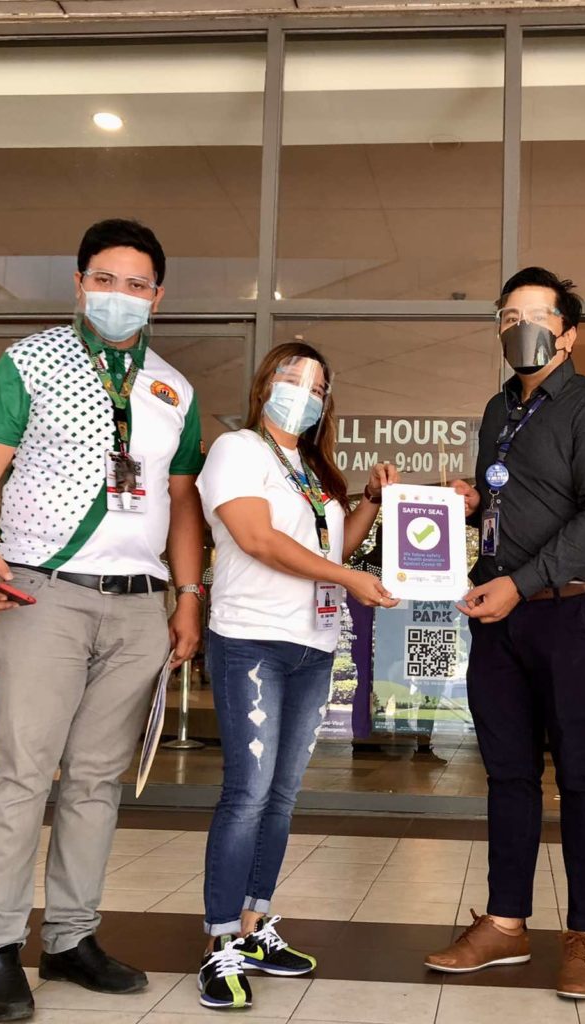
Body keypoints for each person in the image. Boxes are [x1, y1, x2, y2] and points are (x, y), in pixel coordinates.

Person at [0, 219, 206, 1023]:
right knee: (22, 773)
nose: (118, 295)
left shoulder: (173, 389)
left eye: (136, 284)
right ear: (78, 283)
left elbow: (182, 501)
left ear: (157, 297)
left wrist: (189, 594)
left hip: (138, 605)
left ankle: (70, 938)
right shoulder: (28, 362)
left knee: (97, 781)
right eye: (104, 279)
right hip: (44, 593)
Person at [425, 267, 585, 1000]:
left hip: (568, 613)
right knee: (508, 773)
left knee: (581, 773)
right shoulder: (497, 410)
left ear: (568, 334)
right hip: (501, 620)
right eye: (509, 317)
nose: (521, 328)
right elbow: (515, 499)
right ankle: (506, 922)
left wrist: (521, 581)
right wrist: (473, 501)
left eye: (536, 316)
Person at [194, 341, 400, 1011]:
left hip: (313, 646)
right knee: (247, 794)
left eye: (318, 387)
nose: (304, 394)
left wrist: (369, 503)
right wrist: (349, 579)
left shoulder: (310, 468)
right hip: (251, 641)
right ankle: (220, 940)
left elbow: (330, 548)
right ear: (265, 385)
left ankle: (253, 926)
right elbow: (256, 539)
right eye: (293, 378)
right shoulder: (238, 451)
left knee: (280, 797)